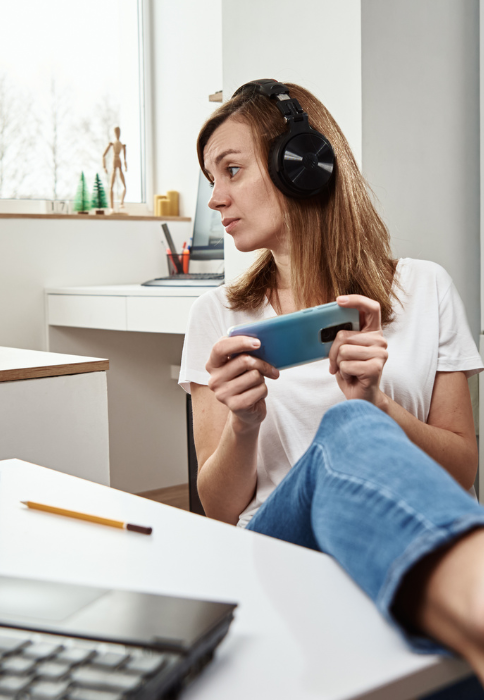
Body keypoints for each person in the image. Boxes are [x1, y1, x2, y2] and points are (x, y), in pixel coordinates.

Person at [178, 80, 484, 678]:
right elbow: (218, 510)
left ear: (304, 166)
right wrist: (243, 423)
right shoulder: (216, 315)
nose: (215, 198)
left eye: (231, 170)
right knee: (347, 426)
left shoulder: (426, 290)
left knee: (356, 418)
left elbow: (461, 472)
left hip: (378, 534)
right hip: (278, 543)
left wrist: (379, 407)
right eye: (211, 178)